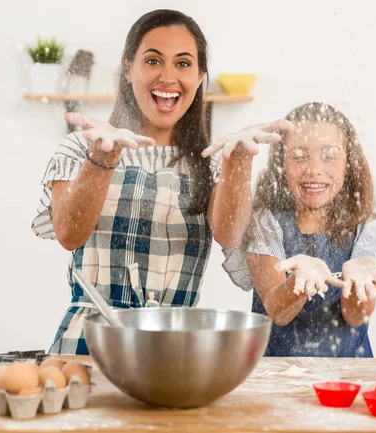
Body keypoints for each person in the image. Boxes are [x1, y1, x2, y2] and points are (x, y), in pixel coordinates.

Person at [31, 9, 292, 354]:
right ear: (128, 68)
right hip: (89, 346)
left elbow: (228, 232)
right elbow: (69, 233)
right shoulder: (82, 148)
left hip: (173, 350)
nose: (168, 77)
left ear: (200, 77)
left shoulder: (213, 160)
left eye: (183, 64)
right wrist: (102, 159)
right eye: (153, 61)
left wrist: (239, 161)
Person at [222, 102, 376, 357]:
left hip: (348, 376)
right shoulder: (266, 223)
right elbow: (278, 312)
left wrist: (359, 283)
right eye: (299, 155)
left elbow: (356, 316)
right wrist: (299, 283)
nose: (314, 169)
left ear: (349, 164)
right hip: (274, 375)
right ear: (281, 163)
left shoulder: (368, 230)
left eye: (329, 156)